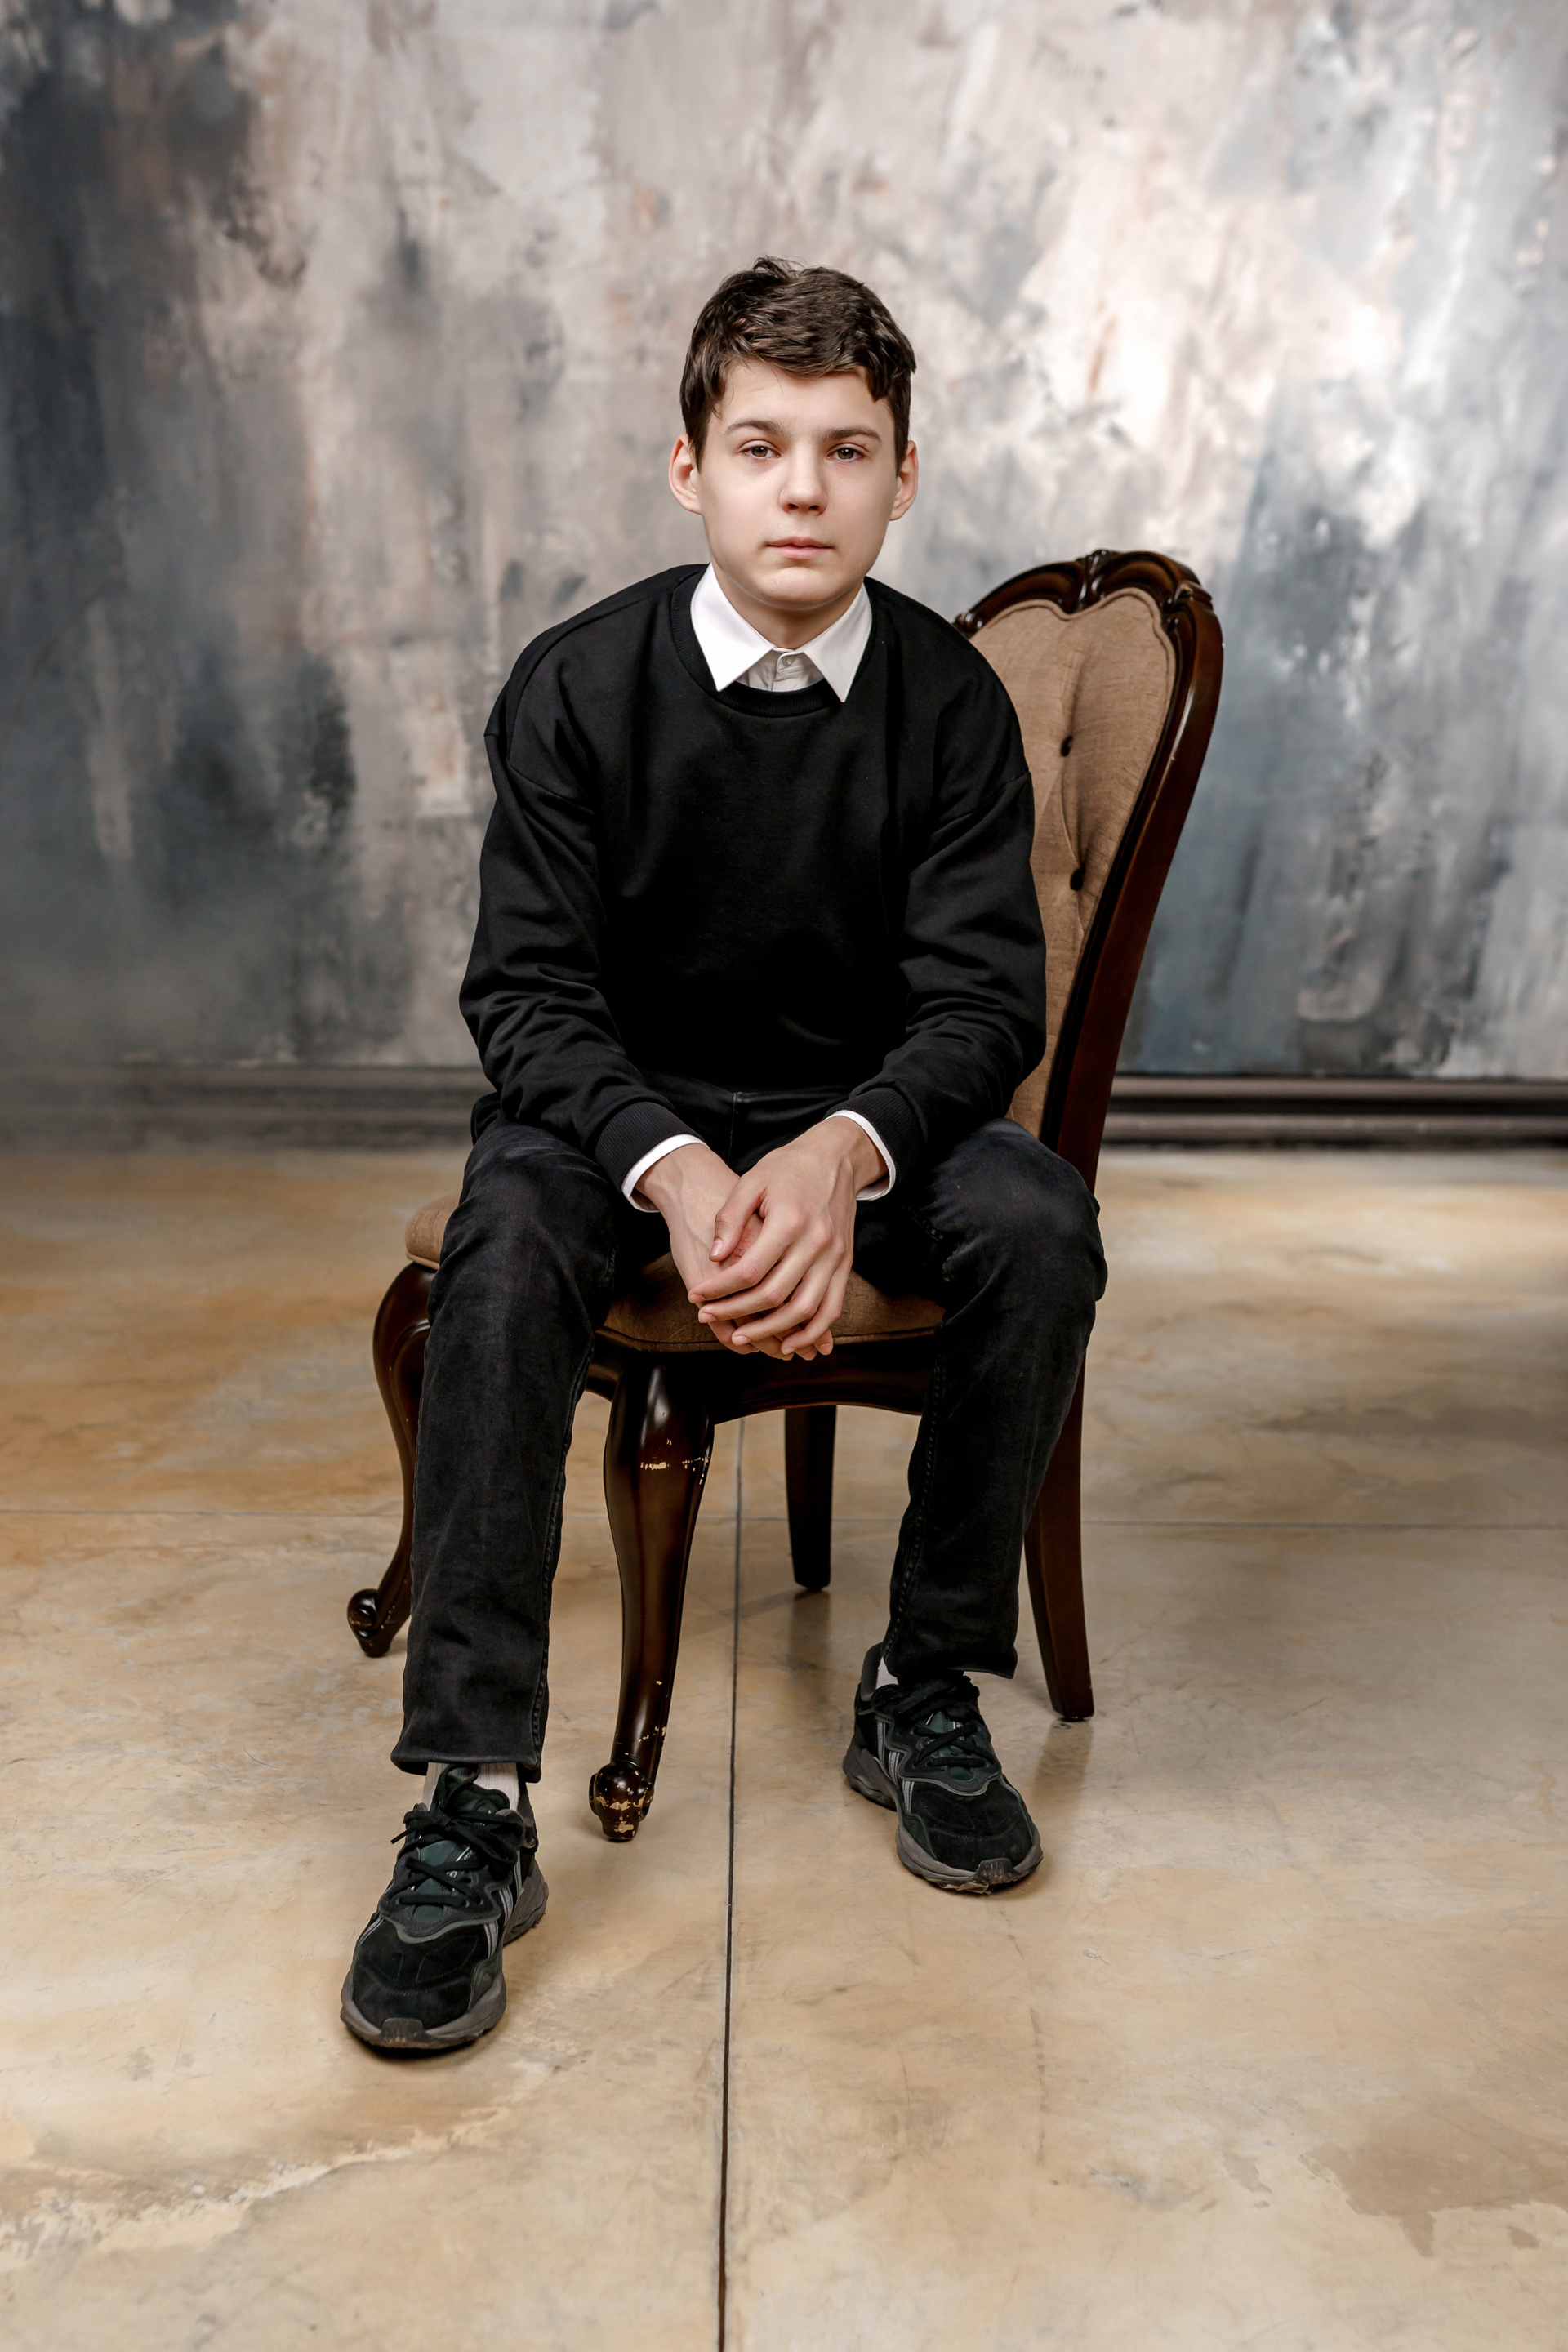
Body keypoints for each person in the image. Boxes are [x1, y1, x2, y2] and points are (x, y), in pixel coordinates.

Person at [341, 257, 1107, 2052]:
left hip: (869, 1118)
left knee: (1040, 1220)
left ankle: (923, 1681)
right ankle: (472, 1792)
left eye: (848, 450)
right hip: (611, 1122)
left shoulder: (949, 703)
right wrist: (679, 1170)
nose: (803, 489)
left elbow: (983, 1006)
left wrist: (842, 1156)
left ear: (904, 477)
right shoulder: (575, 687)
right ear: (690, 469)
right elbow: (527, 1000)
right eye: (760, 446)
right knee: (509, 1237)